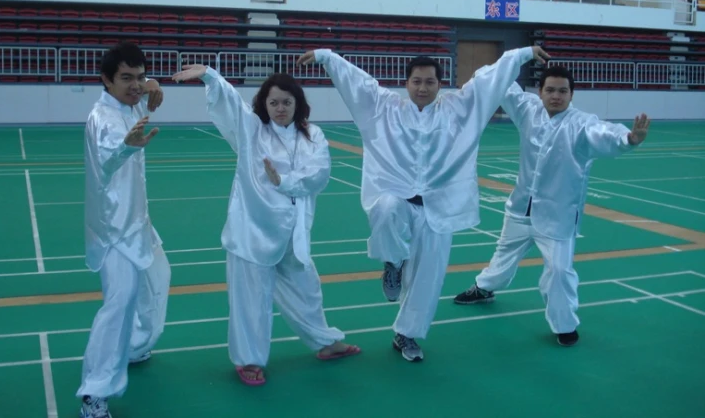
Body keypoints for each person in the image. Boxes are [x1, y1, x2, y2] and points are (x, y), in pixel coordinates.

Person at [296, 44, 550, 362]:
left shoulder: (459, 109)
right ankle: (393, 263)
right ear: (406, 83)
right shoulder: (386, 109)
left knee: (429, 277)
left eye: (430, 82)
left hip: (438, 207)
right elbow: (357, 83)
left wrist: (522, 53)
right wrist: (326, 57)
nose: (423, 88)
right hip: (398, 197)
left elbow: (490, 82)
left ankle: (407, 335)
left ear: (440, 85)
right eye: (417, 81)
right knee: (386, 208)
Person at [171, 64, 360, 386]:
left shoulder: (313, 135)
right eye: (274, 103)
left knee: (307, 289)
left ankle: (325, 343)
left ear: (298, 103)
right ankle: (249, 361)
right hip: (252, 232)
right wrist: (210, 76)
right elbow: (229, 102)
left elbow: (319, 174)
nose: (281, 108)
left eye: (287, 102)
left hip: (294, 233)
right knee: (251, 301)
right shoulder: (252, 131)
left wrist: (283, 180)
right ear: (264, 105)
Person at [453, 66, 650, 346]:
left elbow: (605, 133)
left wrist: (629, 139)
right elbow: (505, 86)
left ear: (571, 94)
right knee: (504, 254)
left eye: (562, 91)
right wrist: (480, 75)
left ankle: (565, 324)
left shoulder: (582, 124)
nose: (556, 96)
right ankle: (484, 288)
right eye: (550, 90)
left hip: (558, 217)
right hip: (521, 208)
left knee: (559, 271)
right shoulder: (528, 110)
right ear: (540, 92)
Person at [78, 42, 171, 418]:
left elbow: (144, 92)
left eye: (138, 76)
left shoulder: (129, 102)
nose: (134, 84)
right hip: (113, 228)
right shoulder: (101, 119)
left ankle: (134, 347)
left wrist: (152, 87)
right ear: (106, 80)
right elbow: (110, 155)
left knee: (159, 276)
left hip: (138, 220)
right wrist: (127, 147)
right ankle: (94, 394)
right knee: (119, 302)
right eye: (126, 79)